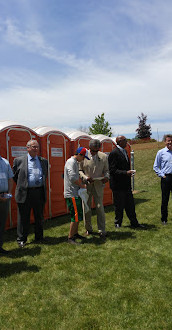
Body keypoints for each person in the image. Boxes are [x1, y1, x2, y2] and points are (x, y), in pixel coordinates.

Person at [13, 139, 48, 248]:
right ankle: (22, 239)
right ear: (27, 148)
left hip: (38, 192)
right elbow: (15, 176)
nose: (36, 149)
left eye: (37, 147)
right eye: (33, 147)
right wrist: (24, 185)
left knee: (39, 216)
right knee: (23, 217)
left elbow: (45, 174)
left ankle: (39, 237)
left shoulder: (43, 161)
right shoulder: (19, 160)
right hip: (25, 193)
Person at [108, 135, 144, 228]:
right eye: (125, 140)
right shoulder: (114, 153)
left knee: (130, 205)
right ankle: (118, 223)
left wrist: (129, 173)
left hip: (126, 184)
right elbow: (112, 170)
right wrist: (125, 173)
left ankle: (134, 223)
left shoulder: (125, 151)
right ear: (119, 141)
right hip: (118, 184)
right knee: (119, 206)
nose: (126, 142)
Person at [79, 139, 109, 238]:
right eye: (92, 150)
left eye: (96, 150)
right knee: (86, 208)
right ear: (89, 148)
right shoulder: (83, 155)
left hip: (98, 185)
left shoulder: (104, 156)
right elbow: (80, 170)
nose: (94, 152)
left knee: (100, 208)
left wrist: (106, 177)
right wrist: (85, 177)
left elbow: (107, 170)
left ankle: (102, 230)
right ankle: (88, 229)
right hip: (86, 185)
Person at [64, 147, 89, 245]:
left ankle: (75, 233)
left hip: (75, 192)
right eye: (83, 157)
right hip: (72, 193)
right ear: (79, 154)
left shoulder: (74, 162)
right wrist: (82, 185)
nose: (83, 159)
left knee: (78, 214)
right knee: (75, 216)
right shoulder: (71, 162)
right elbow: (73, 177)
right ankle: (70, 237)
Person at [153, 134, 172, 225]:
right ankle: (164, 219)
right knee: (165, 199)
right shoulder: (161, 152)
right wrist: (162, 175)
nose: (170, 142)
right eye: (168, 141)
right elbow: (156, 166)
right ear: (165, 142)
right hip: (166, 178)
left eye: (171, 140)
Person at [0, 153, 13, 254]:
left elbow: (10, 178)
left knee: (2, 223)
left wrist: (8, 193)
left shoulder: (5, 162)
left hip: (4, 197)